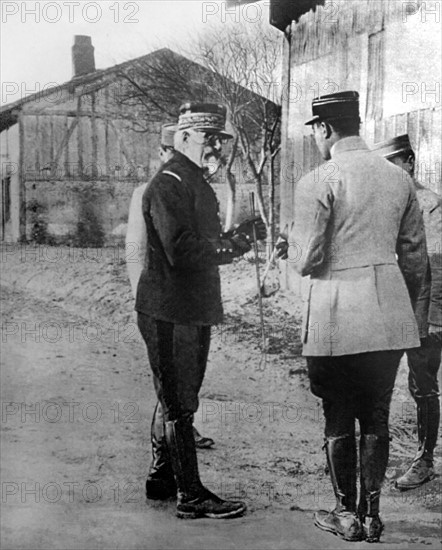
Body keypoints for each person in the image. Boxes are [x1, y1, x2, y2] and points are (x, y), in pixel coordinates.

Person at [277, 92, 427, 542]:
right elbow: (415, 256)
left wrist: (291, 246)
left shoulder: (319, 179)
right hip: (387, 312)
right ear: (356, 123)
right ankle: (373, 515)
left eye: (315, 131)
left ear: (323, 129)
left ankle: (345, 514)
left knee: (338, 413)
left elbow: (308, 259)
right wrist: (403, 303)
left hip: (337, 311)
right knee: (377, 414)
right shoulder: (398, 179)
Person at [135, 102, 266, 519]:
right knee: (179, 404)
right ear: (185, 138)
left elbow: (203, 239)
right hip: (172, 310)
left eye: (221, 140)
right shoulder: (170, 183)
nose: (217, 148)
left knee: (176, 397)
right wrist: (232, 246)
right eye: (210, 139)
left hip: (186, 308)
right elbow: (182, 250)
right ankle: (190, 496)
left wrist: (240, 236)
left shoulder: (190, 181)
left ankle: (164, 478)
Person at [126, 123, 215, 450]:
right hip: (161, 300)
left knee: (175, 385)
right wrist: (144, 298)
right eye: (166, 152)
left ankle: (167, 458)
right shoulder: (152, 190)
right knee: (170, 387)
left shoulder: (189, 188)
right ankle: (169, 451)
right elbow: (135, 251)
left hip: (182, 300)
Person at [372, 134, 441, 490]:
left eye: (391, 165)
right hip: (385, 310)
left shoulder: (433, 206)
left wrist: (429, 319)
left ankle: (425, 459)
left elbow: (436, 266)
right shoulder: (381, 205)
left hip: (421, 313)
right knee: (375, 385)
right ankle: (371, 460)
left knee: (423, 386)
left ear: (409, 163)